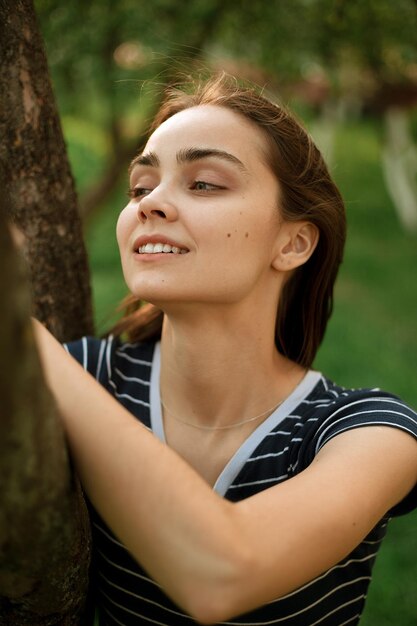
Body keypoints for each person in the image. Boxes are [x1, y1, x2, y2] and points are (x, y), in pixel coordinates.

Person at [34, 73, 417, 626]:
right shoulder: (87, 377)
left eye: (205, 183)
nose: (151, 203)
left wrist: (29, 348)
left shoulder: (372, 433)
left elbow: (222, 574)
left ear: (293, 242)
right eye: (141, 187)